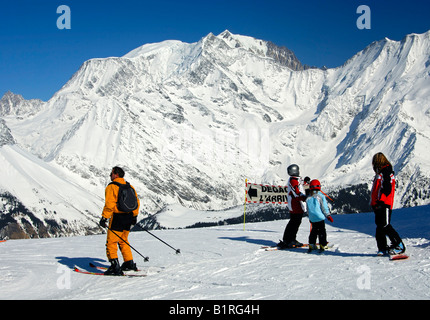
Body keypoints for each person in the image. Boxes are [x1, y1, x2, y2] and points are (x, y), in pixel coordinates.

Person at [99, 166, 140, 275]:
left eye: (111, 173)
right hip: (129, 217)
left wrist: (104, 218)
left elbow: (110, 204)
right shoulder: (129, 186)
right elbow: (136, 202)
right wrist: (134, 216)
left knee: (111, 242)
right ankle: (129, 263)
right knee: (123, 240)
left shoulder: (112, 187)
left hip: (118, 218)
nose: (110, 175)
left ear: (116, 174)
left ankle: (115, 267)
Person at [370, 153, 405, 256]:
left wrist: (381, 200)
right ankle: (382, 248)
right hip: (378, 204)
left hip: (384, 203)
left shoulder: (386, 172)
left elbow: (387, 188)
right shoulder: (380, 173)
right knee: (379, 226)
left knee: (385, 225)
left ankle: (399, 245)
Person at [278, 164, 307, 249]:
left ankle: (290, 239)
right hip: (295, 204)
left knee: (294, 222)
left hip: (297, 204)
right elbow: (296, 192)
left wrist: (306, 182)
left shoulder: (295, 179)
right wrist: (304, 198)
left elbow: (300, 185)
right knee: (295, 222)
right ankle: (289, 240)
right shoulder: (293, 181)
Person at [306, 179, 333, 253]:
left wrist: (310, 217)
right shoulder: (320, 196)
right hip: (320, 217)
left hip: (312, 217)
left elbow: (308, 209)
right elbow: (324, 207)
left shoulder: (308, 197)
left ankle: (312, 244)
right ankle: (323, 244)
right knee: (322, 231)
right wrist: (328, 215)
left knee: (314, 231)